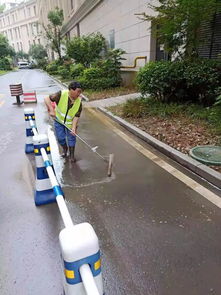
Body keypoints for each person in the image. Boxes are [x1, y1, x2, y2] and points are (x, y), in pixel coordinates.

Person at [44, 81, 82, 162]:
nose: (79, 94)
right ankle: (65, 150)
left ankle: (72, 155)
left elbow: (76, 116)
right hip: (59, 121)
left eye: (80, 92)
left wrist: (74, 127)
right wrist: (51, 110)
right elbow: (47, 98)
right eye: (78, 91)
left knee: (72, 138)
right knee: (60, 138)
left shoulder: (79, 102)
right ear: (71, 90)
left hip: (70, 123)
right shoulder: (61, 94)